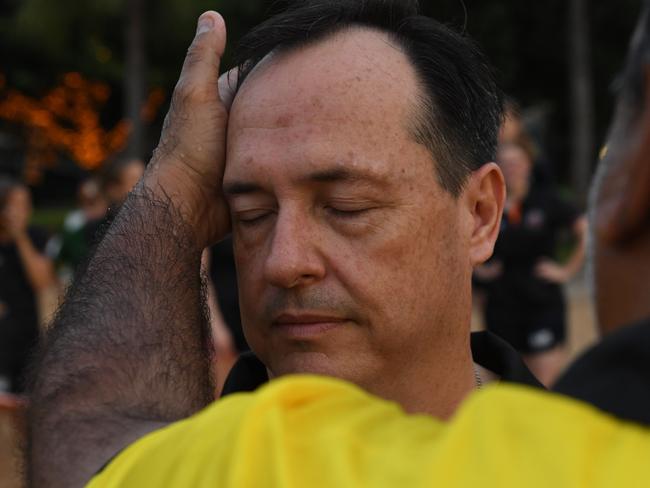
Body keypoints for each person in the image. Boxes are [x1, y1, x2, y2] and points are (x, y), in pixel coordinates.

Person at [25, 1, 650, 486]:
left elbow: (87, 440)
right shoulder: (596, 453)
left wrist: (175, 191)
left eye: (348, 208)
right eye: (250, 213)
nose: (284, 260)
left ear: (481, 214)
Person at [475, 138, 587, 385]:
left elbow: (584, 230)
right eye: (505, 163)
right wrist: (479, 271)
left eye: (517, 162)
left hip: (541, 305)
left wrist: (566, 270)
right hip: (501, 306)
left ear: (528, 165)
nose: (512, 168)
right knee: (504, 387)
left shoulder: (546, 200)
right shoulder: (488, 204)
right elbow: (462, 236)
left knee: (541, 388)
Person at [0, 178, 55, 395]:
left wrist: (19, 236)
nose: (24, 211)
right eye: (17, 205)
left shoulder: (36, 236)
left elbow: (42, 282)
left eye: (26, 204)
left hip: (27, 334)